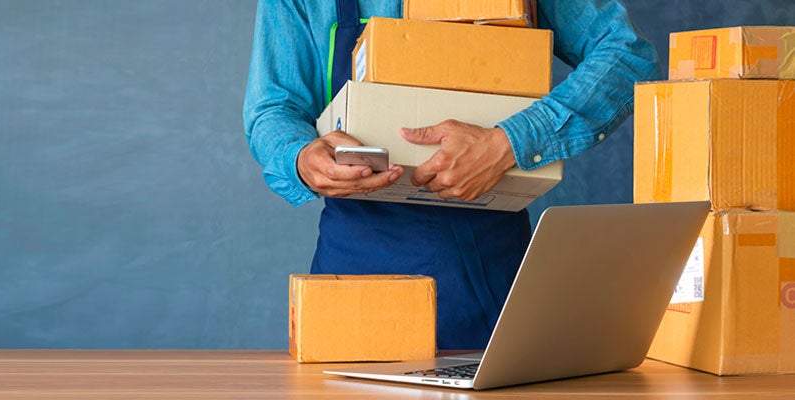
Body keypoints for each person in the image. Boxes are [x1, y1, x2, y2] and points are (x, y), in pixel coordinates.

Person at [243, 0, 659, 350]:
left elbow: (626, 54)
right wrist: (300, 157)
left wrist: (509, 143)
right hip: (355, 272)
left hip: (487, 271)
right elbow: (273, 108)